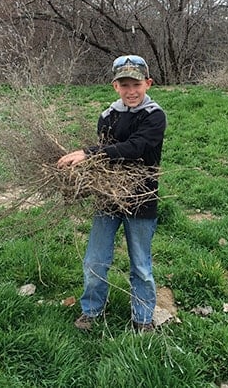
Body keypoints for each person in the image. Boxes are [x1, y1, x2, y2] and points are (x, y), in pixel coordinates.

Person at [57, 55, 167, 332]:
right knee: (95, 260)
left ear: (148, 83)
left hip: (141, 200)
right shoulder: (107, 116)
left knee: (141, 265)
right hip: (108, 200)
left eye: (136, 84)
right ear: (115, 86)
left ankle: (143, 318)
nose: (131, 91)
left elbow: (135, 148)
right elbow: (105, 162)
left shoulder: (155, 116)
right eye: (124, 84)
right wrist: (81, 181)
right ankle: (91, 311)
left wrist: (87, 153)